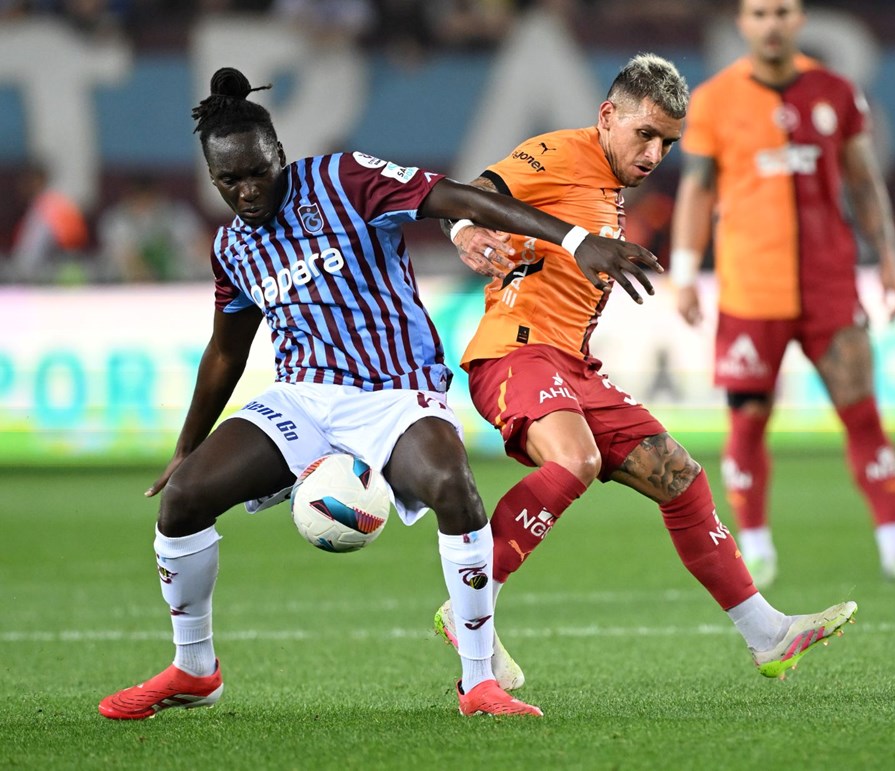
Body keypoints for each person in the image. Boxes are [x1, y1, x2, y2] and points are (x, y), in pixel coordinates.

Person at [97, 66, 663, 720]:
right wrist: (184, 448)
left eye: (259, 171)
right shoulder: (233, 247)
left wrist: (573, 237)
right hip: (303, 397)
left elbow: (457, 198)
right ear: (212, 178)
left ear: (281, 152)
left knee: (455, 488)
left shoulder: (343, 180)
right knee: (185, 498)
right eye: (230, 181)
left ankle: (479, 682)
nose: (248, 191)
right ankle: (194, 669)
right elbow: (227, 349)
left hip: (396, 390)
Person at [433, 52, 857, 693]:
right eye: (645, 134)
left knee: (680, 478)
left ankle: (767, 633)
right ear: (607, 116)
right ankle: (470, 602)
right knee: (572, 459)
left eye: (668, 142)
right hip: (514, 352)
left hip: (570, 365)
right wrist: (465, 226)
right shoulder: (558, 152)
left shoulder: (609, 187)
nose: (656, 153)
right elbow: (477, 193)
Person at [669, 0, 895, 589]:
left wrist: (890, 259)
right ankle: (756, 547)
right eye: (759, 13)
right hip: (751, 289)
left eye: (783, 12)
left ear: (800, 20)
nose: (771, 23)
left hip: (830, 286)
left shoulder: (837, 92)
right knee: (746, 424)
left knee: (863, 413)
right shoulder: (716, 100)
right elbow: (697, 190)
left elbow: (865, 183)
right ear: (742, 24)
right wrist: (687, 270)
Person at [97, 173, 211, 282]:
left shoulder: (178, 215)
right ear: (128, 197)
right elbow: (125, 259)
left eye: (148, 199)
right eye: (138, 199)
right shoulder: (116, 220)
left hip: (180, 285)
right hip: (125, 289)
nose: (144, 205)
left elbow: (203, 247)